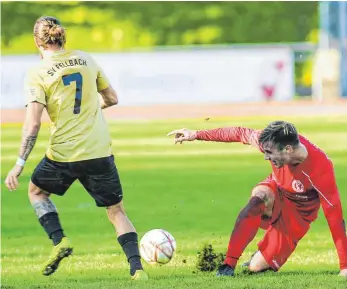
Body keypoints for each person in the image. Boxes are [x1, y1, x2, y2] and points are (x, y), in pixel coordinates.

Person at [4, 16, 148, 281]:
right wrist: (89, 113)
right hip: (99, 150)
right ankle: (137, 269)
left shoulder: (37, 73)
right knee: (116, 211)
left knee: (36, 192)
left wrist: (19, 163)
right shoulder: (86, 59)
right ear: (63, 37)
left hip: (64, 153)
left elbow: (33, 124)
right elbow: (113, 98)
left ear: (37, 41)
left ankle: (59, 241)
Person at [167, 121, 347, 277]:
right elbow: (238, 133)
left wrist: (344, 266)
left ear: (288, 149)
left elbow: (335, 219)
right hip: (277, 188)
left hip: (298, 213)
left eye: (269, 153)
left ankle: (256, 260)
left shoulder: (320, 168)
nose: (265, 156)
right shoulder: (271, 141)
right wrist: (196, 134)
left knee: (256, 268)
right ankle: (228, 264)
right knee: (259, 197)